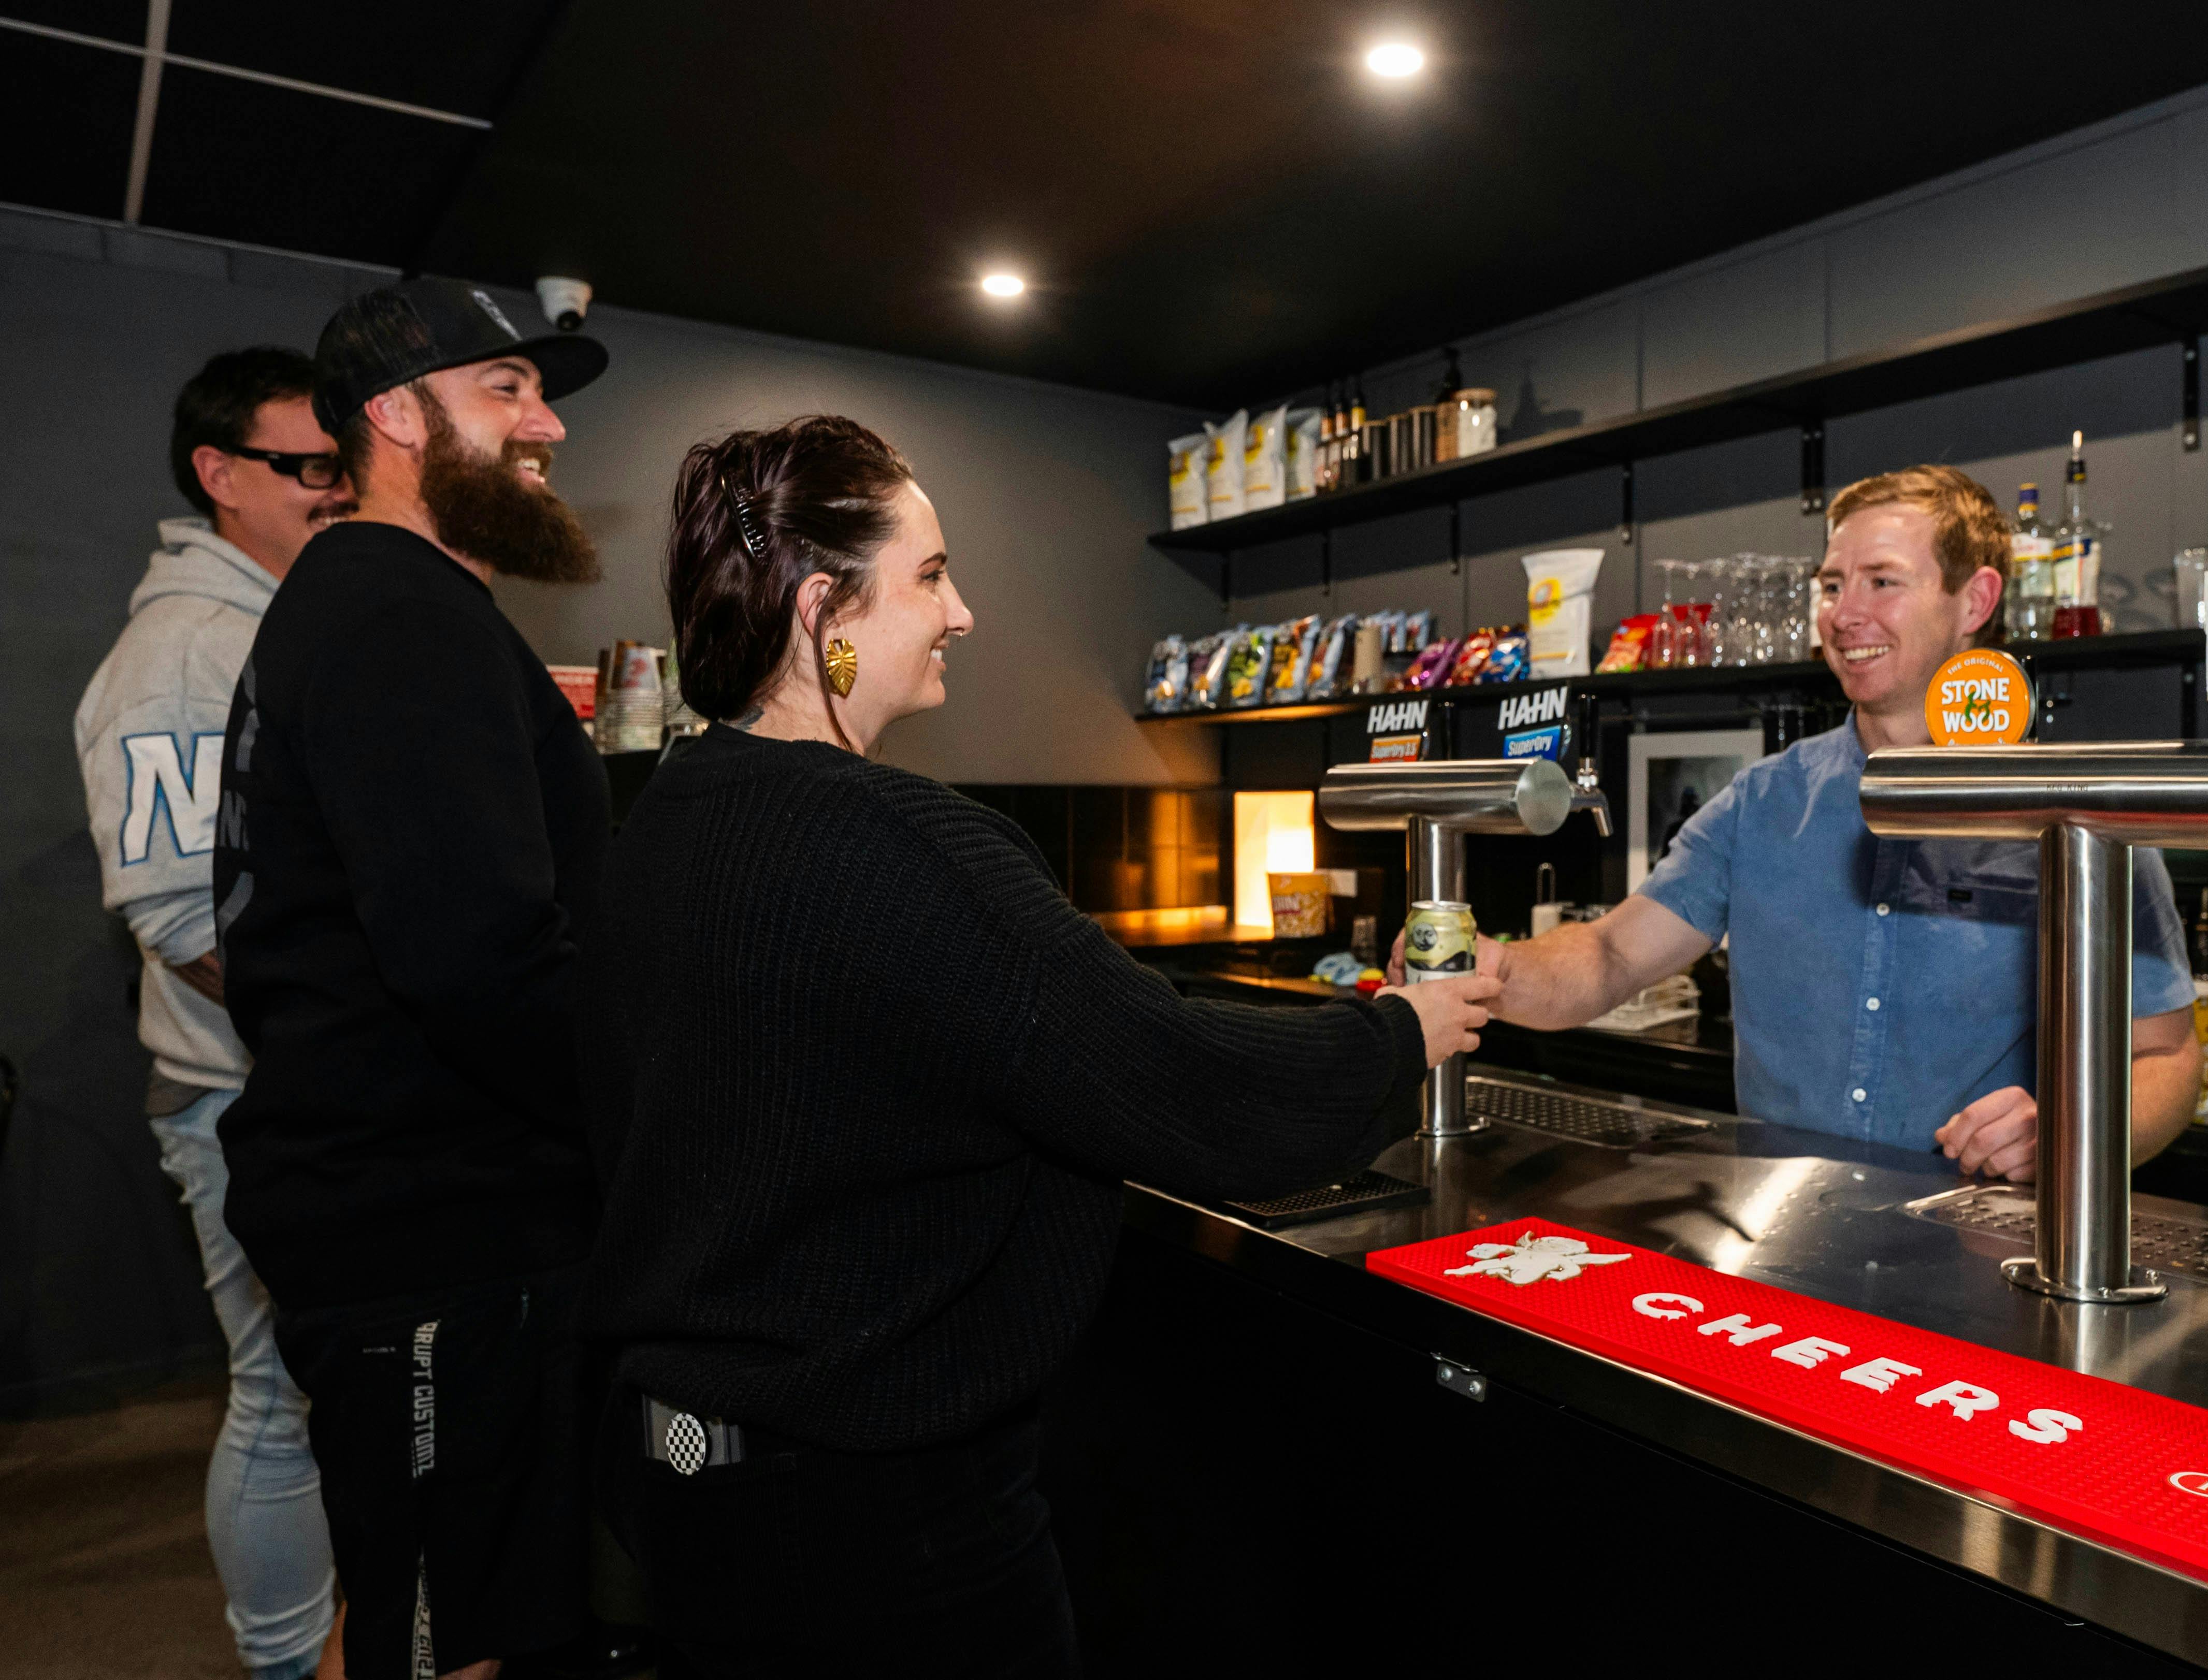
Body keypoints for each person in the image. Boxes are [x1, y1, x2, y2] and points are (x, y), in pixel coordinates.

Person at [580, 415, 1498, 1676]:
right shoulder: (906, 846)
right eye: (933, 574)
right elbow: (1187, 1088)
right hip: (879, 1525)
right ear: (821, 611)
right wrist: (1399, 1032)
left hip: (678, 1481)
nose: (963, 614)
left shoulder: (659, 822)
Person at [212, 279, 612, 1680]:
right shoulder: (401, 614)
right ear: (395, 414)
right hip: (428, 1230)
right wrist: (648, 1106)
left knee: (419, 1594)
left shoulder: (365, 598)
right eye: (506, 388)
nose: (546, 421)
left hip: (414, 1214)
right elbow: (479, 958)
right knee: (454, 1636)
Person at [1481, 465, 2199, 1181]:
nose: (1843, 614)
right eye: (1831, 585)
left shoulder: (2070, 815)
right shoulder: (1763, 801)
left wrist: (2071, 1132)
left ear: (1973, 599)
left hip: (1982, 1243)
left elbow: (2165, 1057)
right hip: (1777, 1233)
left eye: (1881, 582)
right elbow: (1610, 958)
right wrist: (1493, 971)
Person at [74, 347, 352, 1680]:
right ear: (220, 474)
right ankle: (287, 1663)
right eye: (309, 467)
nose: (339, 488)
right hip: (248, 1097)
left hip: (293, 1090)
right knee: (281, 1398)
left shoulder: (275, 621)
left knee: (314, 1392)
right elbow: (188, 924)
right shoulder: (187, 649)